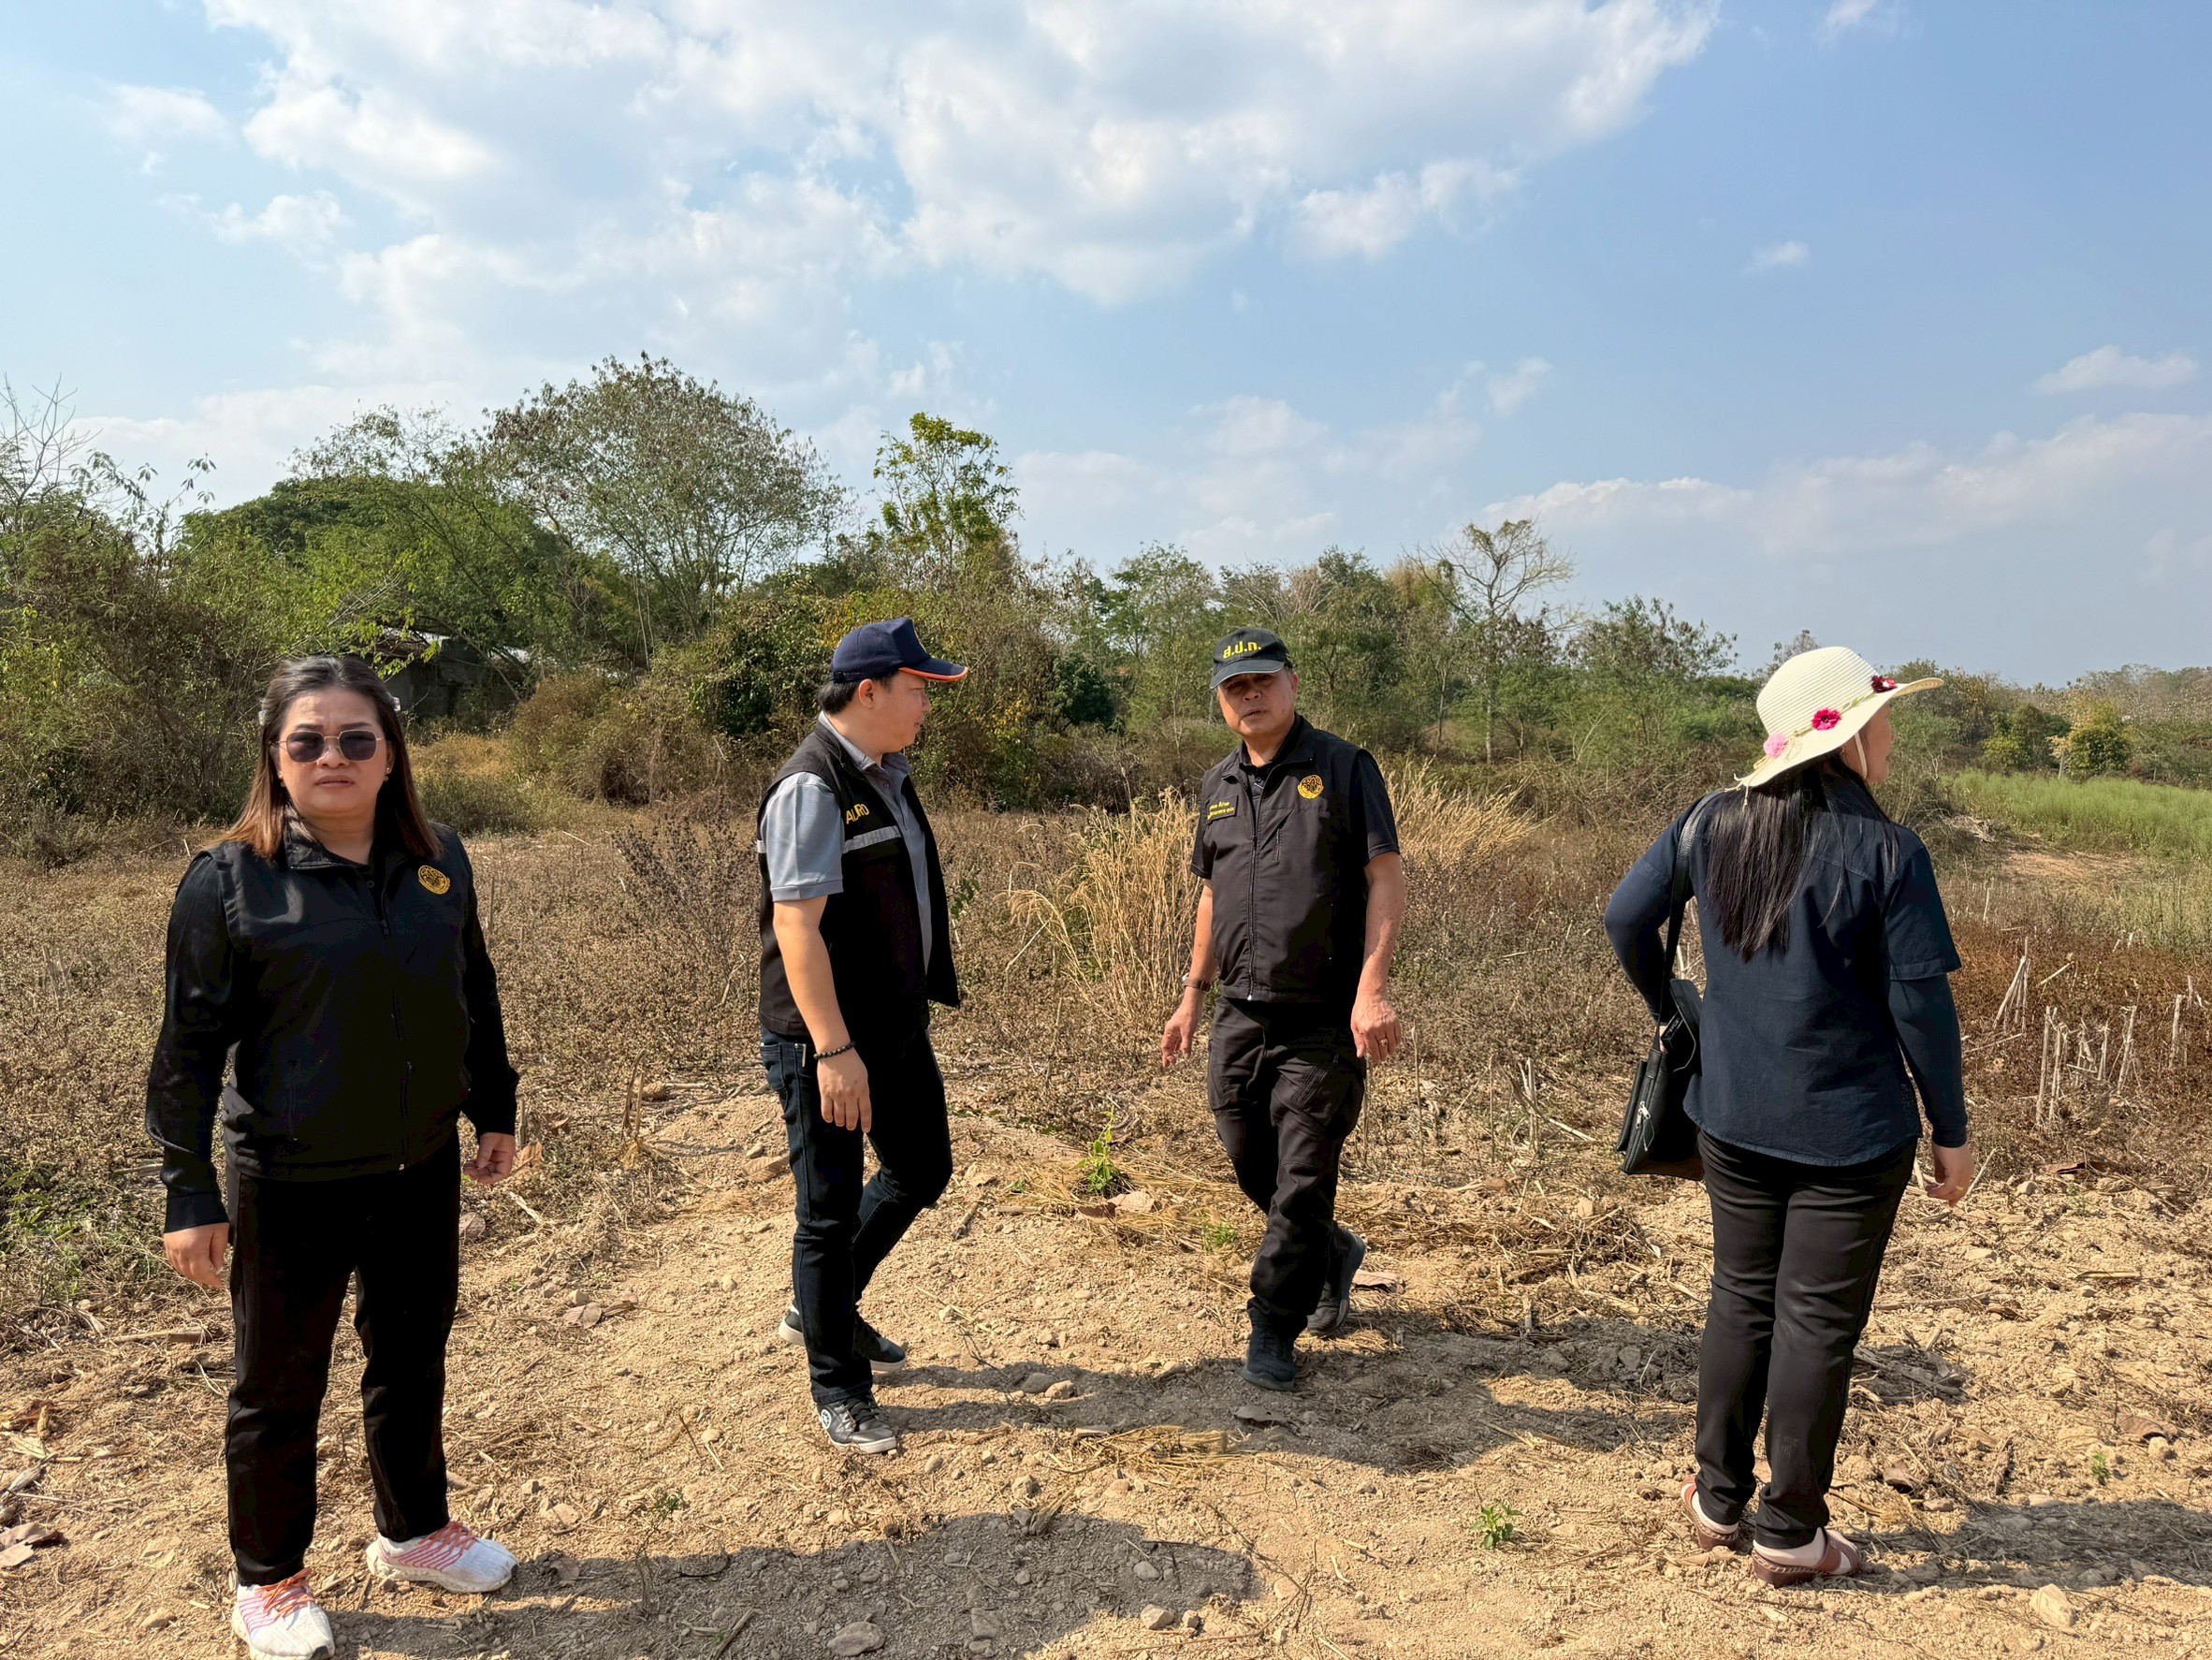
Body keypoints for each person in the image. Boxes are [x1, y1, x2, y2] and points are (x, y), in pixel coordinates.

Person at [146, 656, 523, 1660]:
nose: (333, 757)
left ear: (391, 753)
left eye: (358, 738)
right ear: (275, 757)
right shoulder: (228, 882)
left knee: (410, 1357)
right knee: (278, 1389)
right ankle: (269, 1580)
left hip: (416, 1167)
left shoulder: (439, 859)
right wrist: (187, 1191)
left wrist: (494, 1107)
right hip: (289, 1179)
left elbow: (473, 990)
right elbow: (186, 1053)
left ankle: (414, 1532)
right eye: (307, 740)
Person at [1605, 645, 1975, 1587]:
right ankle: (1791, 1531)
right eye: (1881, 721)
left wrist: (1672, 1008)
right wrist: (1951, 1131)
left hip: (1731, 1116)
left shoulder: (1709, 821)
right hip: (1851, 1134)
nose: (1890, 738)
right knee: (1815, 1323)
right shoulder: (1890, 852)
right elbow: (1921, 1008)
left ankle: (1717, 1499)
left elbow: (1625, 918)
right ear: (1844, 739)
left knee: (1741, 1296)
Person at [1162, 627, 1406, 1391]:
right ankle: (1330, 1251)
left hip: (1323, 1017)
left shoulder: (1343, 767)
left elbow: (1386, 877)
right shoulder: (1217, 785)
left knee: (1301, 1180)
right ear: (1221, 701)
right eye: (1235, 688)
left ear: (1292, 685)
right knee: (1249, 1158)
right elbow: (1213, 894)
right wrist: (1192, 994)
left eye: (1263, 681)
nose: (1251, 696)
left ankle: (1273, 1325)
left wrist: (1372, 990)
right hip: (1239, 1012)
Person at [757, 618, 968, 1453]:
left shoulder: (886, 774)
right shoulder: (813, 787)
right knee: (829, 1211)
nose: (927, 706)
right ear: (870, 691)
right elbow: (797, 929)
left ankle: (824, 1308)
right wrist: (835, 1053)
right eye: (919, 690)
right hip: (829, 1043)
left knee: (922, 1167)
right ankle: (838, 1386)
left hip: (894, 1027)